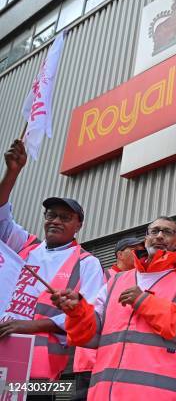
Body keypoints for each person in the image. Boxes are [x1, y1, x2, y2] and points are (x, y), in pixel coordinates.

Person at [51, 216, 176, 400]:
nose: (159, 236)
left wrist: (143, 301)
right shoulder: (116, 281)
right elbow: (89, 336)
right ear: (146, 238)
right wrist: (77, 310)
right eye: (154, 231)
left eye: (167, 232)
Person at [0, 139, 104, 384]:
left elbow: (91, 317)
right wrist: (12, 172)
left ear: (78, 225)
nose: (56, 221)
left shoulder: (87, 263)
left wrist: (31, 326)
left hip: (38, 371)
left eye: (65, 217)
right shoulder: (25, 246)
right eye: (51, 215)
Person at [71, 236, 144, 400]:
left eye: (142, 250)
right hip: (90, 360)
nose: (140, 253)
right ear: (119, 254)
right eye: (135, 250)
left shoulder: (139, 281)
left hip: (117, 361)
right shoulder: (104, 277)